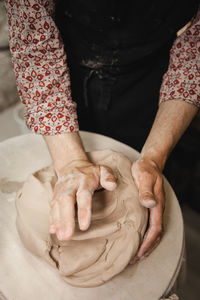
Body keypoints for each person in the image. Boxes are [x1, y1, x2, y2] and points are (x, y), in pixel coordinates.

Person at [4, 0, 200, 261]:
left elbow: (195, 53)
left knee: (142, 186)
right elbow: (34, 41)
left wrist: (154, 157)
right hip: (66, 63)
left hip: (151, 77)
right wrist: (70, 161)